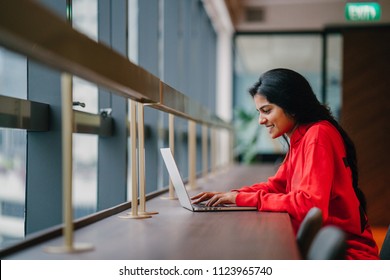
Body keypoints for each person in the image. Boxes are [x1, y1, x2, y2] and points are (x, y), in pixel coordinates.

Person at [191, 68, 379, 260]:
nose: (260, 120)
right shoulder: (301, 137)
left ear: (292, 105)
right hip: (323, 247)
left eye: (267, 110)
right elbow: (277, 186)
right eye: (259, 112)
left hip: (347, 256)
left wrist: (244, 199)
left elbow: (310, 204)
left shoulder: (317, 135)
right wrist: (234, 195)